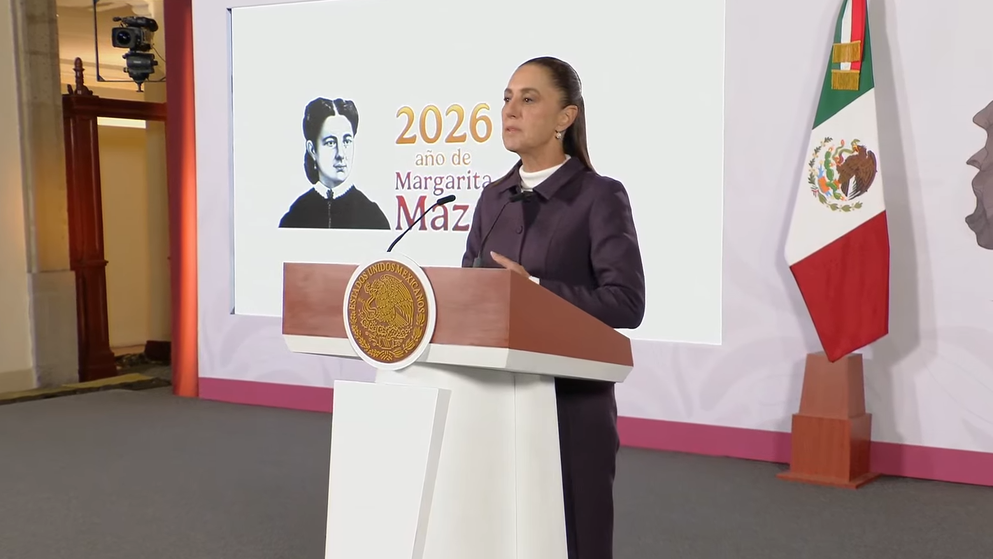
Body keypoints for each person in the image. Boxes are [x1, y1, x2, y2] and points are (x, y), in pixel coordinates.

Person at [461, 56, 646, 559]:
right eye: (506, 98)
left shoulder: (599, 196)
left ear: (566, 118)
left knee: (575, 539)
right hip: (493, 404)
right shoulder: (491, 198)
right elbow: (469, 296)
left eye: (528, 98)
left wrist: (536, 290)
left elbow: (626, 302)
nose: (510, 110)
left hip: (571, 408)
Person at [279, 97, 390, 229]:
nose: (341, 154)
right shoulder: (295, 216)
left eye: (346, 141)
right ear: (312, 149)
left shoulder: (373, 217)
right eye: (331, 143)